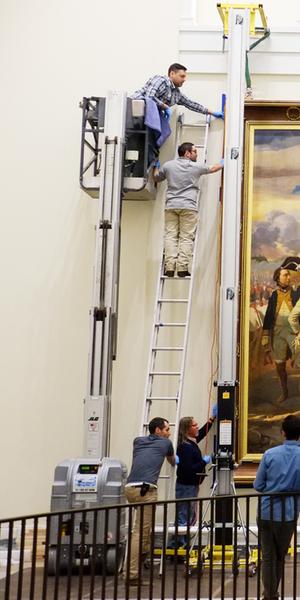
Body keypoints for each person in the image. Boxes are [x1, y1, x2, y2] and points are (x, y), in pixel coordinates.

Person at [153, 142, 223, 277]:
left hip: (171, 206)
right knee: (186, 238)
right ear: (187, 153)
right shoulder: (194, 166)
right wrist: (227, 159)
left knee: (170, 236)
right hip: (188, 207)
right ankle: (182, 268)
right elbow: (214, 168)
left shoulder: (168, 166)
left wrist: (155, 166)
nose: (197, 154)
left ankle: (169, 267)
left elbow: (157, 177)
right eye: (195, 151)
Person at [253, 414, 300, 600]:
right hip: (289, 513)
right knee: (280, 556)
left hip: (267, 511)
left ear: (283, 433)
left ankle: (270, 594)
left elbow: (258, 485)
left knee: (268, 556)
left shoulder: (270, 454)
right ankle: (272, 593)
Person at [124, 417, 176, 585]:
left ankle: (140, 559)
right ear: (158, 431)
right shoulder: (166, 444)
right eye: (167, 429)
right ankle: (132, 575)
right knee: (139, 533)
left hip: (130, 489)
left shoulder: (137, 441)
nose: (169, 433)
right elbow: (172, 460)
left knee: (143, 530)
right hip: (146, 490)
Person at [174, 405, 217, 546]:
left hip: (191, 486)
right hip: (186, 486)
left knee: (189, 516)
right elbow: (188, 470)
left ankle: (182, 543)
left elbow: (202, 433)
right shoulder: (185, 447)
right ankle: (179, 546)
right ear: (187, 429)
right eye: (194, 425)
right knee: (184, 516)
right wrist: (203, 462)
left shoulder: (190, 443)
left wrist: (211, 419)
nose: (197, 427)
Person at [131, 63, 224, 120]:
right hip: (132, 111)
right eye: (182, 76)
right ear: (172, 73)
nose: (184, 79)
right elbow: (149, 97)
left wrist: (213, 113)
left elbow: (191, 104)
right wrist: (165, 107)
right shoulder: (161, 80)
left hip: (145, 117)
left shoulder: (176, 94)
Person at [261, 267, 300, 402]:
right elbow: (268, 316)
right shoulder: (274, 295)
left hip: (294, 332)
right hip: (278, 333)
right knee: (280, 364)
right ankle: (284, 392)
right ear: (278, 278)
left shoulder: (296, 292)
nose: (288, 277)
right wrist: (265, 335)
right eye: (285, 275)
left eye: (289, 275)